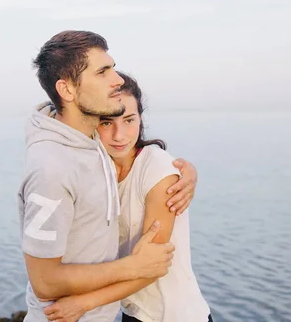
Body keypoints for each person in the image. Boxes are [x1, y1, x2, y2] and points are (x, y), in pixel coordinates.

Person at [18, 30, 198, 322]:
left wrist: (185, 172)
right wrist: (133, 267)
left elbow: (144, 159)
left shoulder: (90, 142)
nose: (116, 79)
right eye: (103, 72)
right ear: (67, 90)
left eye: (112, 68)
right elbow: (45, 283)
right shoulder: (52, 166)